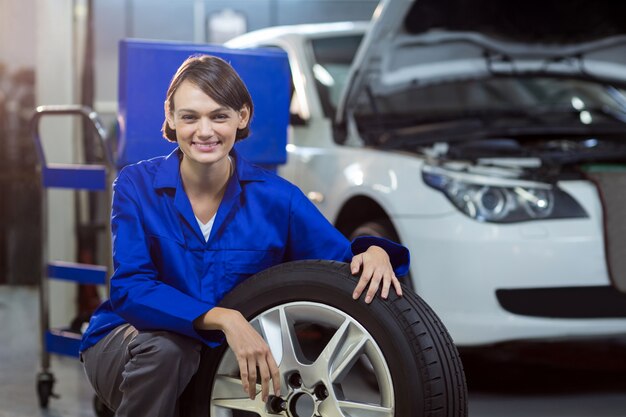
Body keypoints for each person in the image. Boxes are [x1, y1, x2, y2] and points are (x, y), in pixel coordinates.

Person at [79, 54, 409, 417]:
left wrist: (375, 252)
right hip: (132, 340)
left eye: (219, 116)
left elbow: (339, 265)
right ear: (171, 118)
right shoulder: (135, 185)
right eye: (190, 116)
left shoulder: (277, 199)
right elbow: (132, 289)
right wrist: (224, 317)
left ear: (242, 116)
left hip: (228, 358)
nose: (204, 132)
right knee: (169, 350)